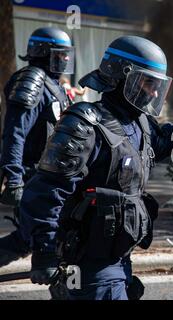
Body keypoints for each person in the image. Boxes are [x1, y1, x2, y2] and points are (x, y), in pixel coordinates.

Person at [20, 35, 173, 300]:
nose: (152, 92)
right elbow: (46, 192)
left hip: (119, 259)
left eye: (156, 85)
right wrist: (44, 252)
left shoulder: (140, 124)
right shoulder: (84, 123)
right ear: (120, 76)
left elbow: (160, 145)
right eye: (147, 82)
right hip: (86, 265)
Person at [0, 27, 73, 267]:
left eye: (66, 55)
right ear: (44, 52)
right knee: (36, 239)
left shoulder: (53, 85)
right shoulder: (32, 81)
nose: (65, 60)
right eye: (60, 54)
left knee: (41, 239)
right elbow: (15, 133)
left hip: (51, 177)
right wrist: (13, 178)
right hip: (34, 177)